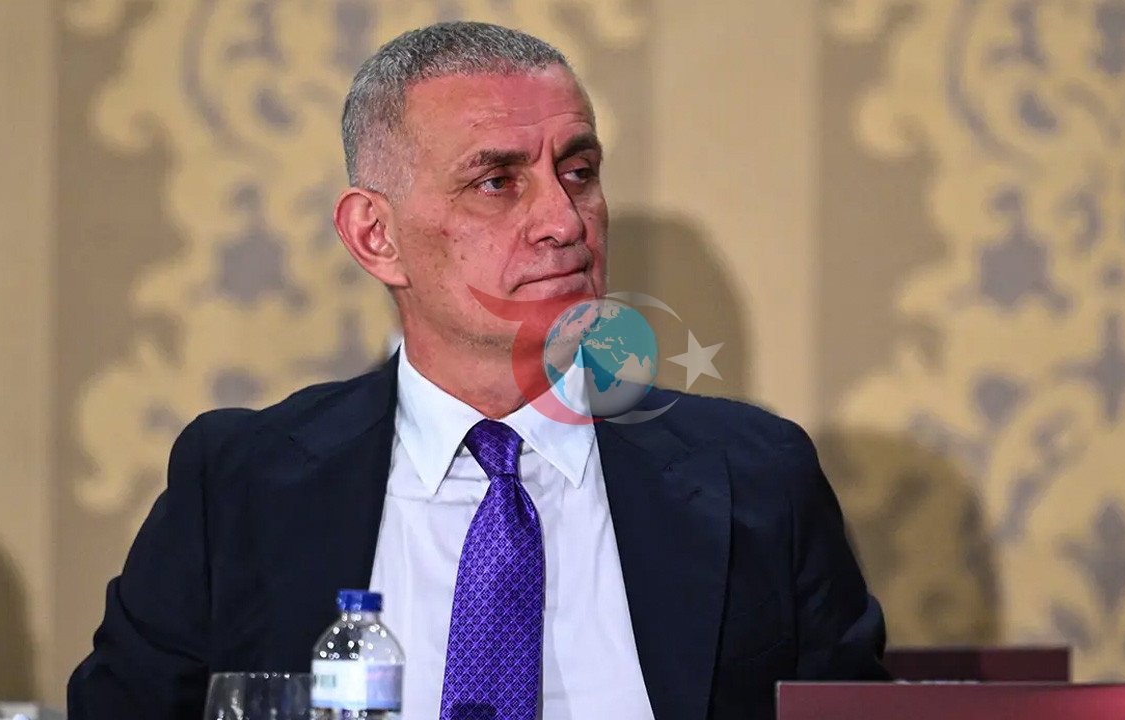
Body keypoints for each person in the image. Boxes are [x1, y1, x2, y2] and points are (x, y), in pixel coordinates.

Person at [67, 21, 888, 720]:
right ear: (376, 236)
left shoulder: (756, 479)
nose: (564, 221)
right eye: (497, 182)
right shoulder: (240, 486)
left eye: (579, 172)